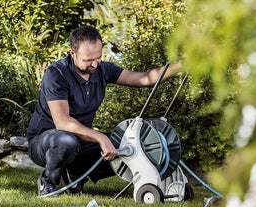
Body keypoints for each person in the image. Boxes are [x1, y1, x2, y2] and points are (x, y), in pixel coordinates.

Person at [27, 25, 181, 197]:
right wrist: (100, 137)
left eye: (98, 57)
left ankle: (74, 175)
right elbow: (62, 122)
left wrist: (181, 66)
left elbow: (146, 79)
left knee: (129, 144)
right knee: (66, 141)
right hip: (46, 140)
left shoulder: (103, 70)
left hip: (81, 141)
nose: (94, 64)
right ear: (73, 53)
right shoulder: (57, 74)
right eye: (88, 60)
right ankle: (48, 182)